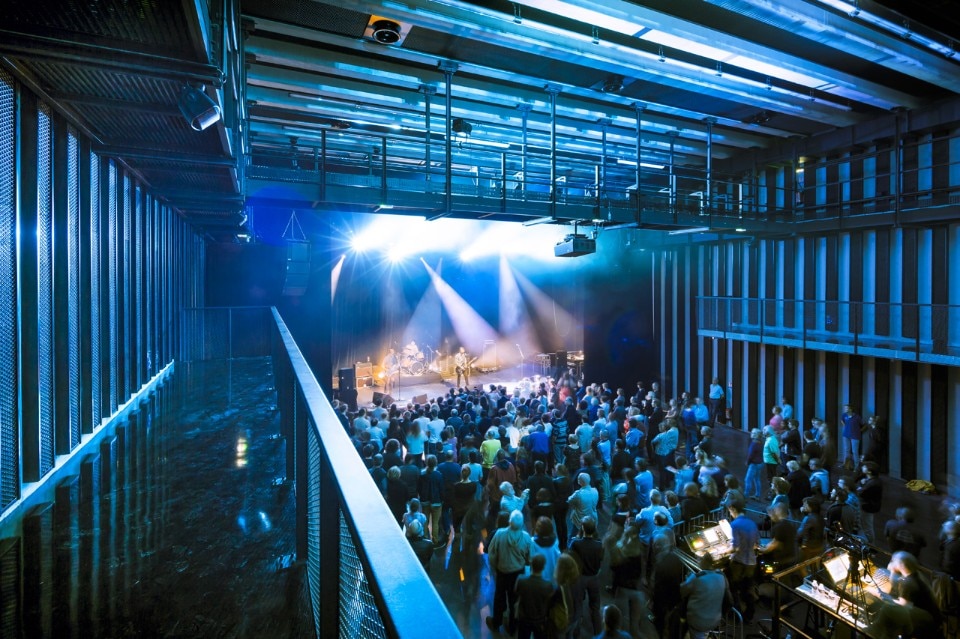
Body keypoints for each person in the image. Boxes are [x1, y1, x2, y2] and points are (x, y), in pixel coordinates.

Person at [487, 510, 534, 634]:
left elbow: (491, 553)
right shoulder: (526, 537)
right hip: (518, 574)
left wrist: (496, 566)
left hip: (502, 572)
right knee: (515, 600)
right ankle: (513, 627)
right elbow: (531, 558)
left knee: (499, 597)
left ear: (510, 521)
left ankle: (496, 622)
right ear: (522, 523)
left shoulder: (499, 534)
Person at [681, 553, 731, 639]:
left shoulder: (696, 577)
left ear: (703, 562)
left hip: (698, 621)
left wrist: (688, 579)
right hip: (715, 620)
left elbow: (682, 591)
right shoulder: (722, 576)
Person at [568, 516, 604, 636]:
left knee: (577, 607)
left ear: (582, 528)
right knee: (595, 608)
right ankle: (598, 633)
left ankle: (576, 634)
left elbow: (569, 556)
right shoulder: (599, 544)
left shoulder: (576, 543)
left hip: (580, 578)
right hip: (594, 578)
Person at [726, 499, 759, 622]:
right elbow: (756, 544)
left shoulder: (735, 524)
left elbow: (735, 547)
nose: (730, 514)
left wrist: (723, 551)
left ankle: (736, 614)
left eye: (730, 511)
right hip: (751, 562)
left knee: (734, 588)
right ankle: (749, 614)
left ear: (733, 509)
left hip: (739, 563)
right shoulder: (752, 523)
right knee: (748, 589)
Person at [514, 553, 556, 639]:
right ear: (543, 567)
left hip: (524, 618)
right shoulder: (548, 585)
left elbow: (516, 592)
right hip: (540, 619)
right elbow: (550, 602)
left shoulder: (521, 580)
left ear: (531, 565)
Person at [857, 461, 883, 544]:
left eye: (865, 467)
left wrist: (861, 485)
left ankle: (871, 544)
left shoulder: (872, 484)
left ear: (869, 472)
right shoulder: (873, 480)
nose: (862, 467)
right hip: (870, 505)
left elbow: (861, 493)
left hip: (867, 507)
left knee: (867, 526)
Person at [841, 403, 863, 469]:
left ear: (851, 409)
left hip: (855, 436)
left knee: (855, 451)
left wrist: (859, 431)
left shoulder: (857, 417)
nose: (845, 409)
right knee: (846, 450)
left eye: (846, 408)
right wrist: (845, 426)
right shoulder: (844, 415)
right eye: (844, 408)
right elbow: (842, 420)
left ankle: (856, 466)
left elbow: (864, 424)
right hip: (846, 435)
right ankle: (845, 464)